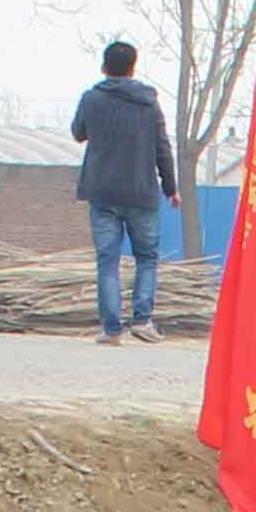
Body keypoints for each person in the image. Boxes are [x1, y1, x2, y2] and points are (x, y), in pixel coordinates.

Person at [75, 39, 181, 346]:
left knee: (107, 260)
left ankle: (111, 330)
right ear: (133, 68)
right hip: (141, 192)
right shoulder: (149, 103)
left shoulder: (91, 99)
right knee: (146, 257)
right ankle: (142, 320)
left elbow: (77, 132)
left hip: (102, 191)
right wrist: (171, 188)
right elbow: (163, 147)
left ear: (104, 67)